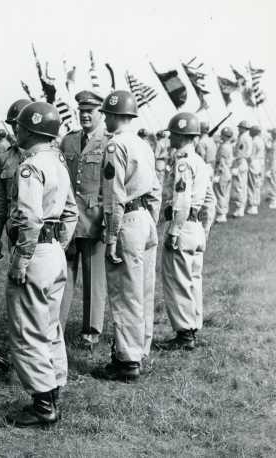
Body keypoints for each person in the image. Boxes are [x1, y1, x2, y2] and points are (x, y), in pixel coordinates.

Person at [5, 101, 78, 426]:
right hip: (53, 252)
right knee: (50, 326)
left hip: (34, 251)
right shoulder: (58, 163)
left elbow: (30, 217)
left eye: (20, 126)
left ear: (31, 130)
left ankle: (43, 403)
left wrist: (22, 258)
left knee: (27, 329)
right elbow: (71, 212)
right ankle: (54, 386)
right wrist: (57, 245)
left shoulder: (31, 166)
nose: (16, 130)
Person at [92, 90, 161, 383]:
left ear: (115, 115)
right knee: (143, 290)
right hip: (145, 217)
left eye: (106, 113)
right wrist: (150, 222)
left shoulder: (114, 146)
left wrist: (111, 236)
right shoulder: (143, 144)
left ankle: (127, 360)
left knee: (125, 292)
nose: (104, 118)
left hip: (127, 220)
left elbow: (113, 197)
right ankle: (139, 349)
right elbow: (156, 189)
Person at [58, 90, 109, 349]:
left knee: (93, 278)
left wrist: (107, 221)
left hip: (95, 219)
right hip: (69, 219)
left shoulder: (108, 142)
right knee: (63, 274)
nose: (85, 115)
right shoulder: (68, 141)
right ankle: (56, 326)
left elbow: (110, 186)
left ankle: (90, 332)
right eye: (82, 111)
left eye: (91, 111)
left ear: (101, 113)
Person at [158, 113, 209, 351]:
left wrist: (174, 231)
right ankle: (193, 326)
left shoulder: (183, 162)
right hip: (196, 226)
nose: (171, 138)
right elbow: (210, 200)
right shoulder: (199, 162)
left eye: (173, 134)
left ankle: (184, 333)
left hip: (184, 224)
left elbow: (181, 198)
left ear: (180, 135)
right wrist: (204, 229)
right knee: (193, 280)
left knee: (178, 280)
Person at [0, 98, 30, 372]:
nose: (16, 129)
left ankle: (30, 355)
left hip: (41, 237)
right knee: (17, 295)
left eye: (19, 123)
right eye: (12, 124)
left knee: (35, 296)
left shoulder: (48, 155)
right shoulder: (5, 157)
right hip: (16, 237)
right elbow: (0, 201)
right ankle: (18, 350)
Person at [229, 120, 252, 217]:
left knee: (239, 187)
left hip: (240, 163)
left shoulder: (243, 138)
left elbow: (240, 152)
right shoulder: (246, 137)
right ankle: (240, 208)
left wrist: (234, 160)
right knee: (241, 186)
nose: (238, 129)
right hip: (242, 162)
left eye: (240, 127)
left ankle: (240, 209)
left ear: (243, 128)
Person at [213, 127, 234, 222]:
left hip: (222, 172)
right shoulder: (229, 145)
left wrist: (217, 174)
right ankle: (223, 213)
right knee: (225, 193)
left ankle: (221, 214)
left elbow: (221, 163)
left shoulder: (223, 147)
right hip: (228, 171)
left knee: (220, 193)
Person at [246, 125, 265, 215]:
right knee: (257, 185)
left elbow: (251, 155)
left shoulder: (253, 141)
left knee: (251, 185)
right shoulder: (261, 140)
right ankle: (256, 204)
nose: (249, 132)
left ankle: (252, 206)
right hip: (260, 163)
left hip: (254, 162)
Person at [266, 129, 276, 209]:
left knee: (273, 182)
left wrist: (270, 169)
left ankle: (274, 200)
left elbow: (273, 157)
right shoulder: (273, 142)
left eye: (272, 134)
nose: (271, 135)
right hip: (272, 164)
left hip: (273, 165)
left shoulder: (274, 143)